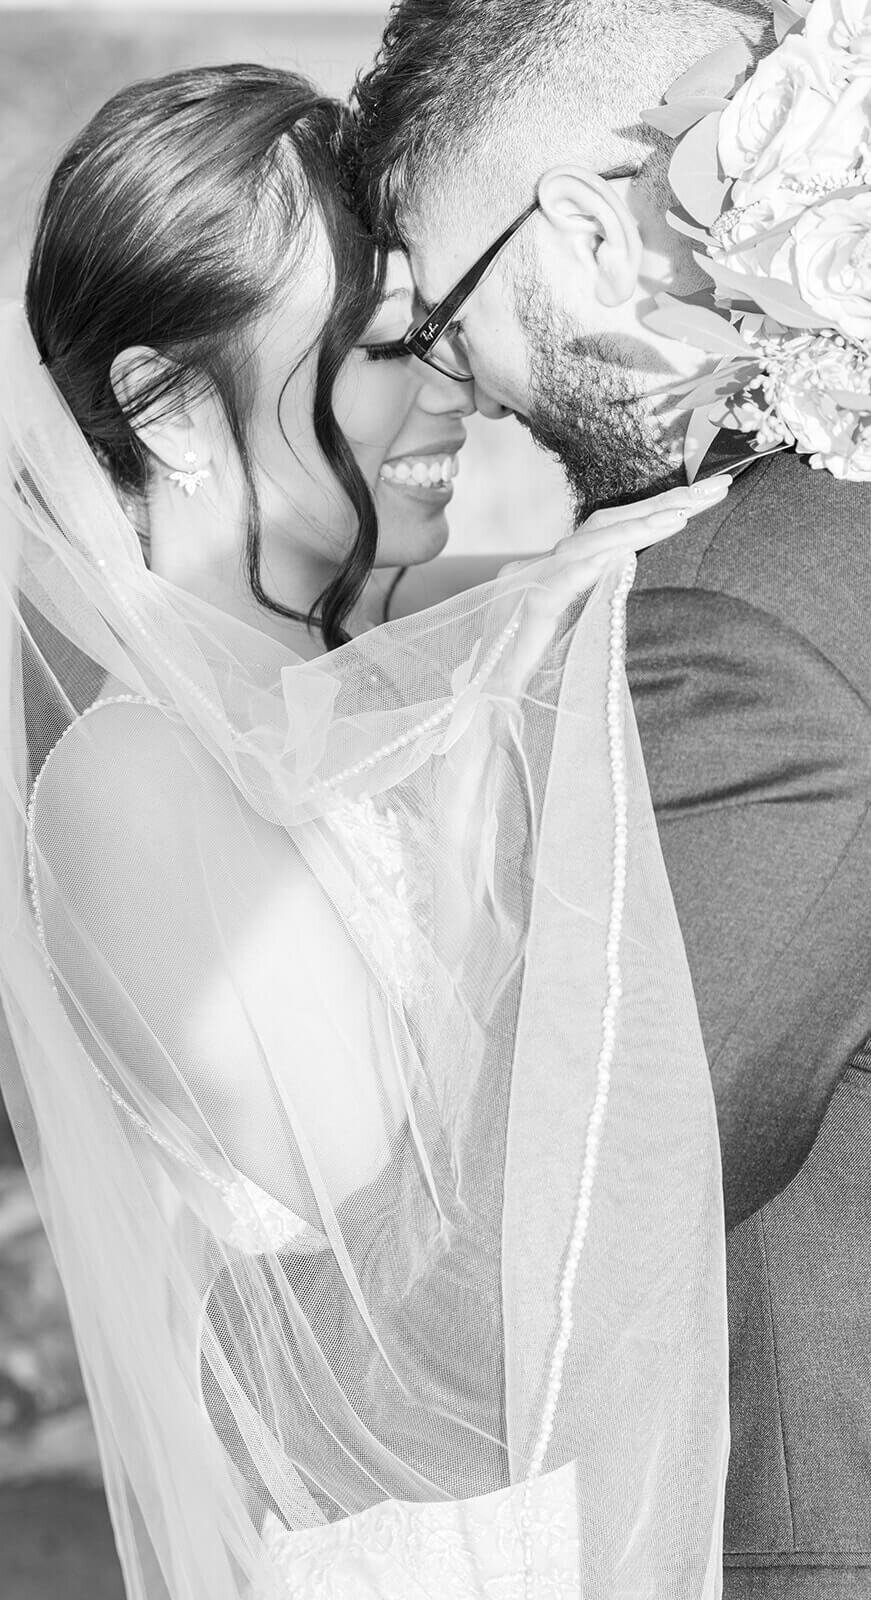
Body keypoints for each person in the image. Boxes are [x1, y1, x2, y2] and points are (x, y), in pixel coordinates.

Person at [0, 60, 732, 1600]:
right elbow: (409, 1227)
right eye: (377, 348)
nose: (450, 391)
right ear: (165, 407)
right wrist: (555, 656)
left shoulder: (361, 712)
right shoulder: (126, 779)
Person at [351, 3, 871, 1596]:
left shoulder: (746, 625)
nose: (478, 393)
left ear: (585, 230)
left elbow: (560, 1251)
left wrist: (222, 1293)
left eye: (449, 320)